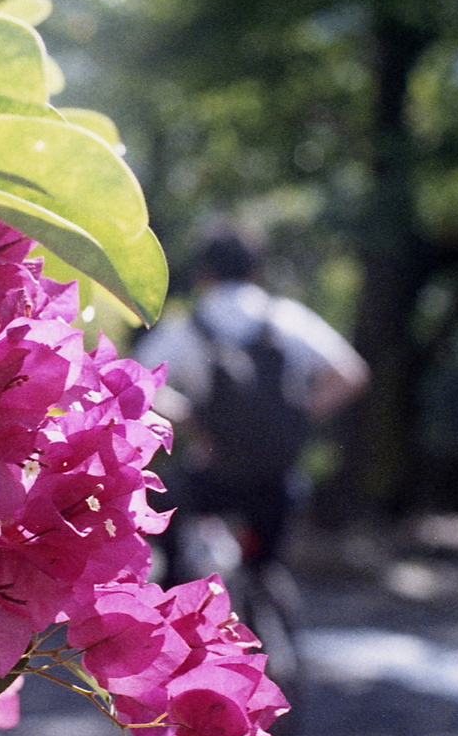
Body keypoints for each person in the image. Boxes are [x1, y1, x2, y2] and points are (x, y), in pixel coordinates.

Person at [134, 228, 370, 586]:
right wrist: (300, 415)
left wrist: (189, 417)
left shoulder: (189, 326)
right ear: (256, 271)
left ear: (203, 274)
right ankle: (271, 608)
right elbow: (352, 375)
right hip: (276, 481)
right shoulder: (287, 317)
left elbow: (136, 380)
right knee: (268, 572)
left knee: (170, 536)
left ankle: (175, 596)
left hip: (211, 475)